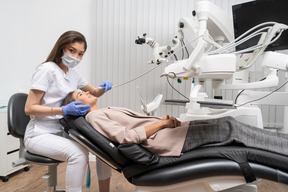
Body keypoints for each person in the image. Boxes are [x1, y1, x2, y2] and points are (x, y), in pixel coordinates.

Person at [63, 90, 288, 158]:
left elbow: (134, 125)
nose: (87, 92)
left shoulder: (104, 110)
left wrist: (162, 121)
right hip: (166, 141)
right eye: (80, 94)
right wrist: (162, 126)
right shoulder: (94, 117)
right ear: (78, 106)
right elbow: (126, 137)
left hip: (169, 133)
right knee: (231, 128)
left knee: (229, 124)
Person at [24, 31, 113, 192]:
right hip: (40, 134)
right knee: (78, 155)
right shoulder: (46, 70)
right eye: (72, 51)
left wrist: (103, 88)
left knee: (103, 147)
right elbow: (29, 108)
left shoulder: (72, 73)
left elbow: (94, 91)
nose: (76, 57)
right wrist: (63, 109)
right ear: (61, 48)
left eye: (80, 54)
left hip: (64, 131)